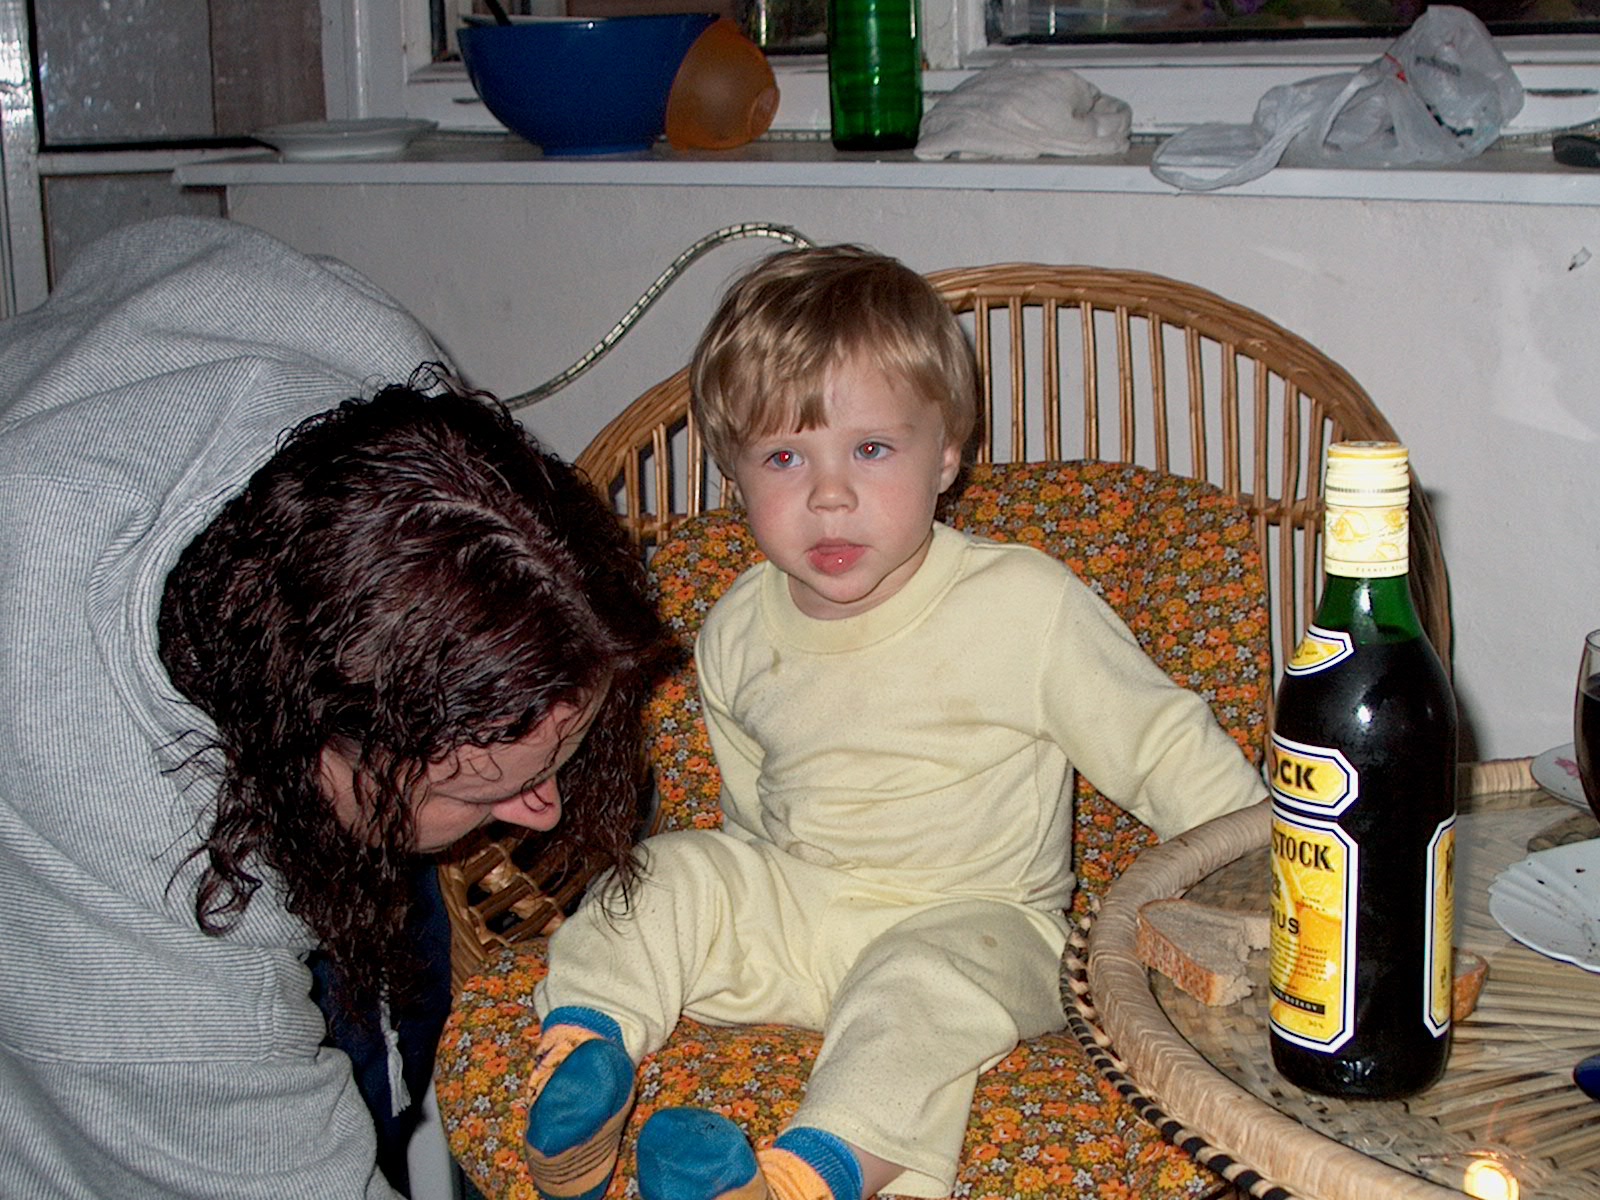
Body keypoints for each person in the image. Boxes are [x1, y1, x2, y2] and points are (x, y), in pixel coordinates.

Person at [517, 245, 1269, 1200]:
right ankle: (582, 1065)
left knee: (916, 985)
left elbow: (1163, 750)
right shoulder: (737, 627)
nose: (829, 495)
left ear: (946, 453)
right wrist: (729, 903)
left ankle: (804, 1178)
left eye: (871, 450)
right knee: (664, 871)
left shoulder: (1021, 604)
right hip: (803, 910)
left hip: (985, 926)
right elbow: (749, 814)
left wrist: (1264, 885)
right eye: (784, 457)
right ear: (732, 477)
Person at [0, 216, 661, 1200]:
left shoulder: (384, 379)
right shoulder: (116, 848)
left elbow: (156, 247)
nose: (546, 813)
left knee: (389, 1007)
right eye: (486, 788)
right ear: (306, 746)